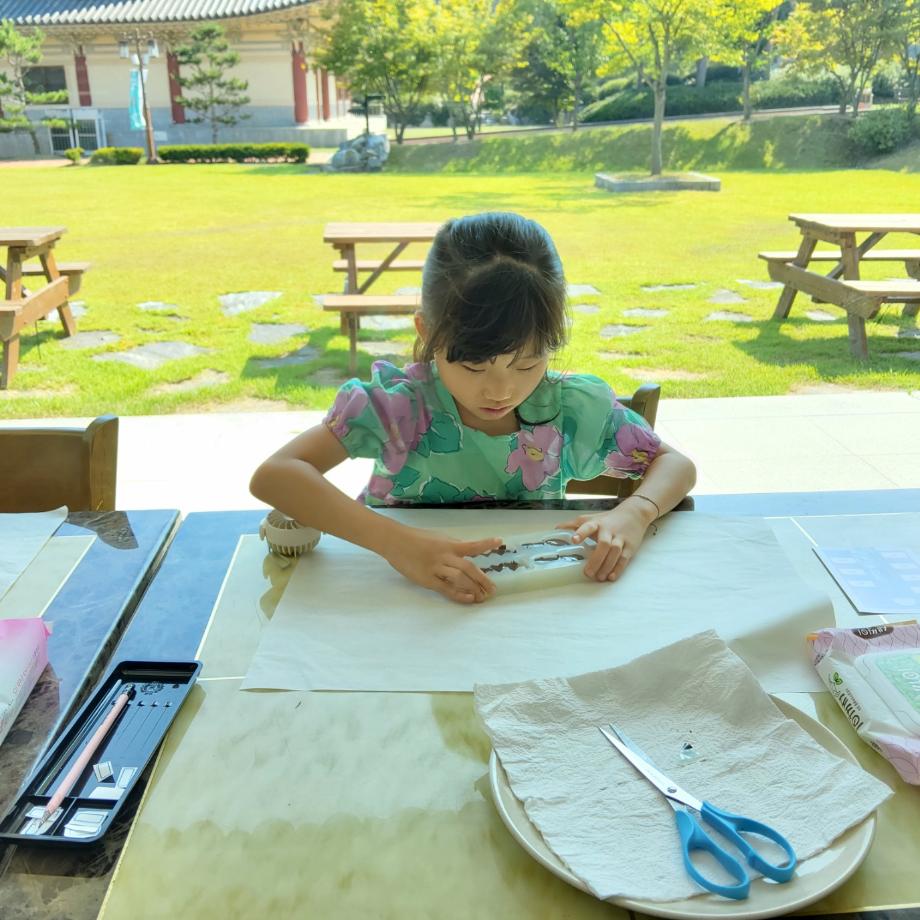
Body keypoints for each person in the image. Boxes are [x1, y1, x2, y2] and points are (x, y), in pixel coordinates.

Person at [250, 212, 696, 604]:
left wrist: (635, 512)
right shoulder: (398, 406)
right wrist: (396, 544)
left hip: (519, 597)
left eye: (527, 364)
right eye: (473, 365)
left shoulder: (568, 407)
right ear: (428, 333)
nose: (501, 391)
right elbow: (276, 475)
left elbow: (674, 464)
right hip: (399, 598)